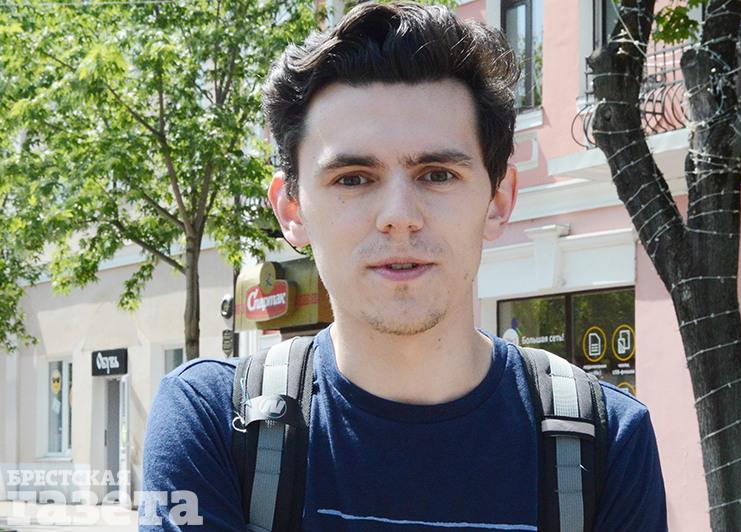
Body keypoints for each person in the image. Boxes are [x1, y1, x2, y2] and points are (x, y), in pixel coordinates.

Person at [139, 2, 668, 530]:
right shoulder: (213, 420)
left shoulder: (607, 441)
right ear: (292, 210)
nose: (398, 216)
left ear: (498, 200)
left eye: (437, 175)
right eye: (353, 178)